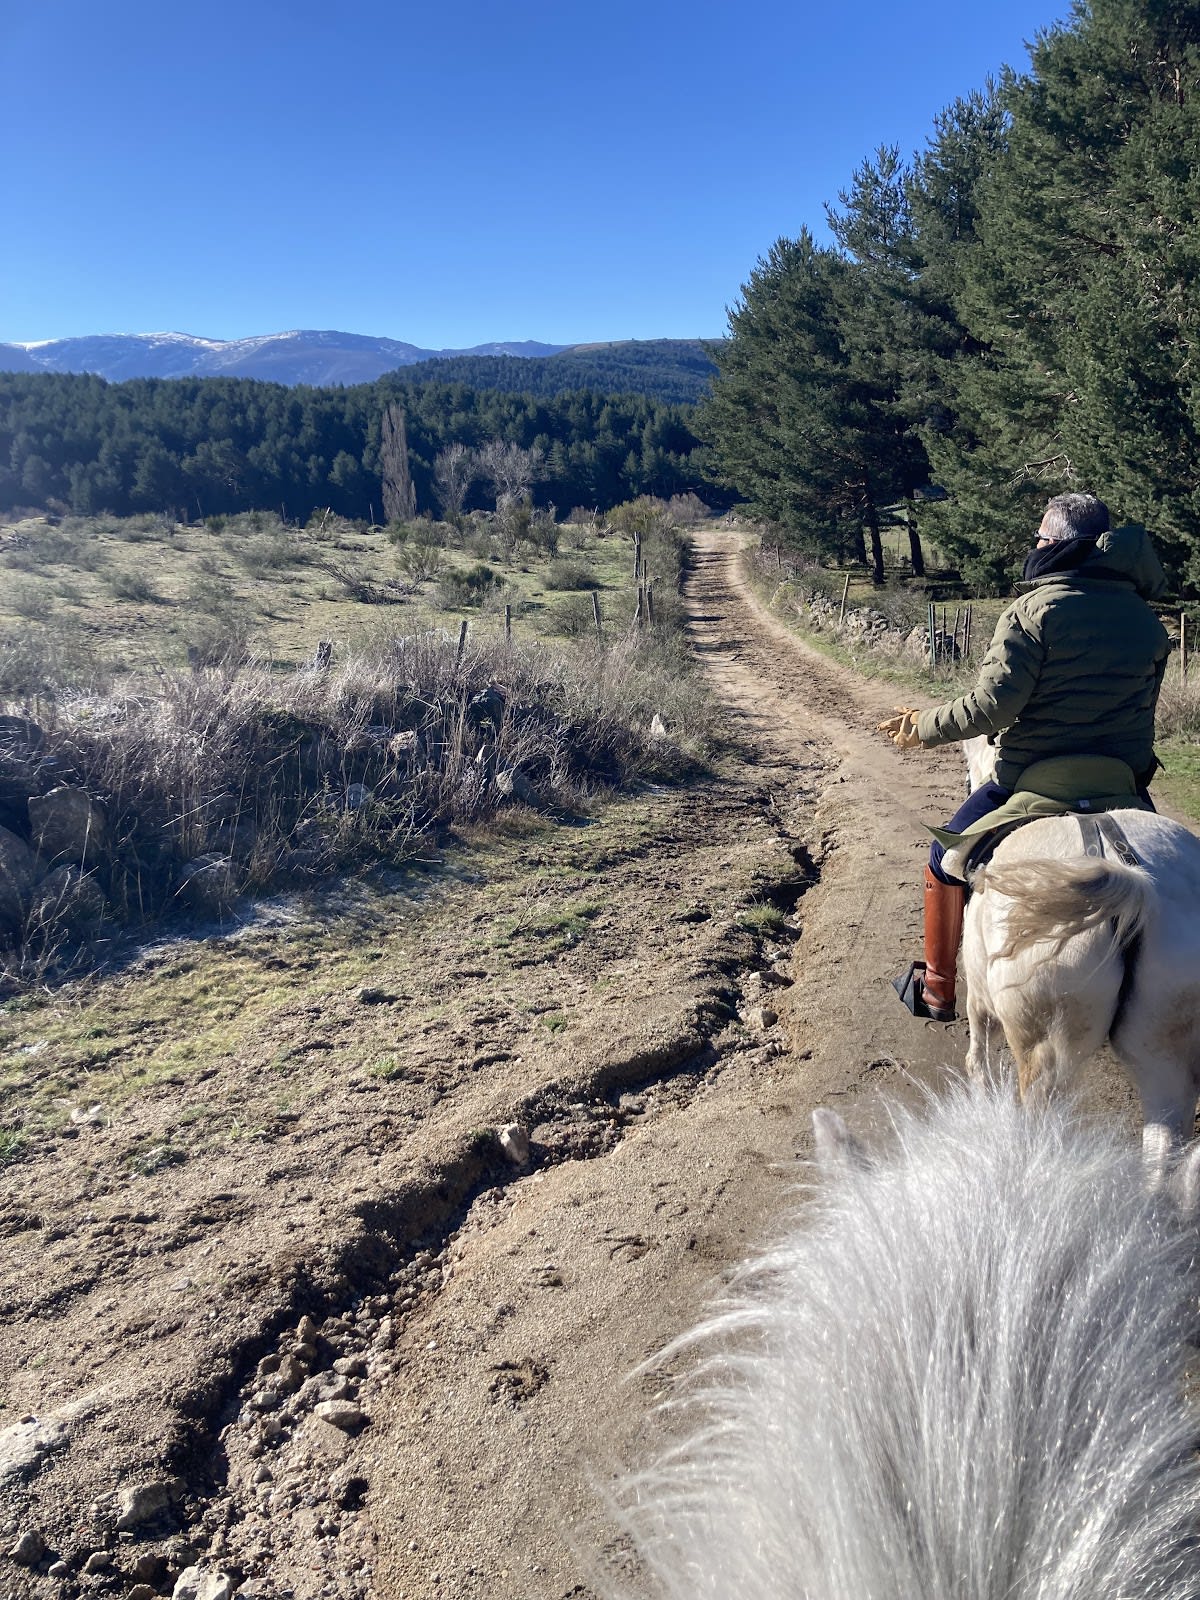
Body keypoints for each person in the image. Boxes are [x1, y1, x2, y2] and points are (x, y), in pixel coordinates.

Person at [879, 492, 1169, 1021]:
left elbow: (992, 707)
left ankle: (940, 990)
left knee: (943, 861)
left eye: (1040, 537)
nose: (1035, 545)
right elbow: (1143, 709)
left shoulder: (1033, 612)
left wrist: (920, 726)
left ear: (1055, 545)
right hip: (1122, 782)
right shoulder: (1146, 621)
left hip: (1032, 781)